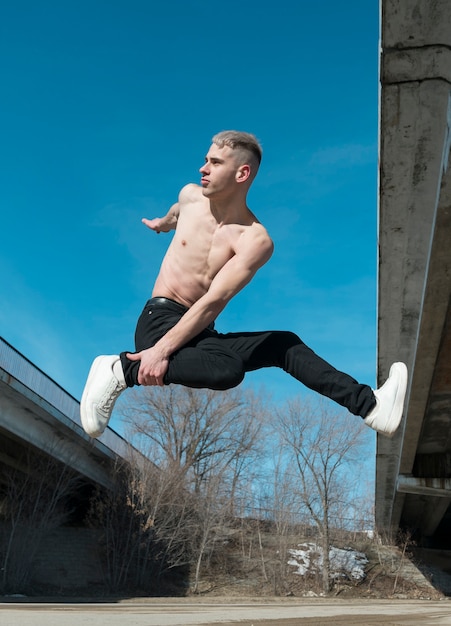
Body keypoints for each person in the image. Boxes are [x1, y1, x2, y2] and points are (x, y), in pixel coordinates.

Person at [80, 130, 408, 439]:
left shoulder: (255, 239)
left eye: (215, 162)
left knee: (284, 345)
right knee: (228, 370)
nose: (202, 168)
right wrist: (162, 224)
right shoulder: (190, 196)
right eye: (206, 159)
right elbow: (177, 210)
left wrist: (161, 355)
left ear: (242, 174)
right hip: (160, 321)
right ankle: (121, 369)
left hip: (197, 329)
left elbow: (213, 300)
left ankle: (371, 407)